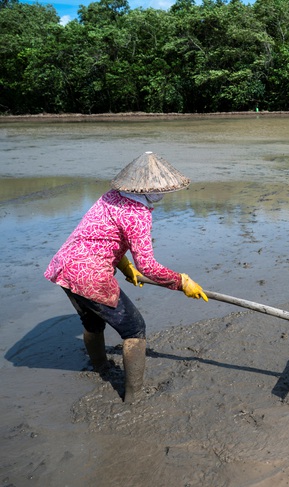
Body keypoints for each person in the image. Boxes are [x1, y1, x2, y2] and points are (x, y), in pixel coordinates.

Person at [44, 151, 208, 403]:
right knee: (134, 329)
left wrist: (124, 266)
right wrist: (181, 282)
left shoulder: (110, 197)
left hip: (65, 266)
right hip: (89, 275)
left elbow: (101, 236)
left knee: (92, 321)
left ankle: (100, 367)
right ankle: (134, 396)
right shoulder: (138, 215)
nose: (162, 194)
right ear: (148, 189)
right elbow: (149, 267)